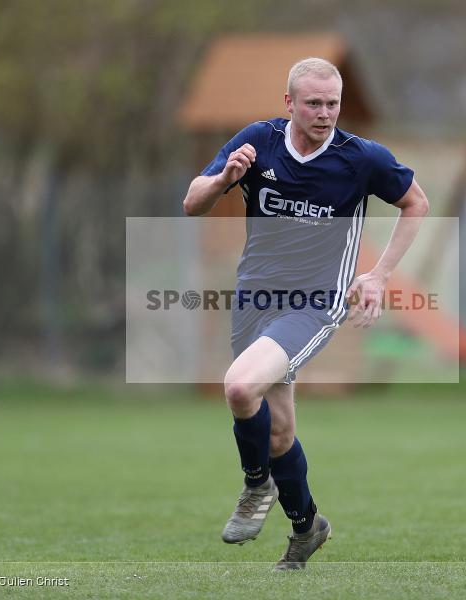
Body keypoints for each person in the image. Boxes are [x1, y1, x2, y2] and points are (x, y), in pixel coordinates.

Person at [182, 57, 428, 570]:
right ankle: (306, 527)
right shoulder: (258, 141)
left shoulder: (360, 158)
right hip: (254, 298)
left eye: (332, 103)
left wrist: (379, 275)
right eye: (313, 103)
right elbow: (192, 203)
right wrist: (225, 177)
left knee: (239, 387)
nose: (325, 113)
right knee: (278, 433)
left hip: (314, 301)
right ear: (288, 102)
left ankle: (255, 488)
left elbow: (416, 203)